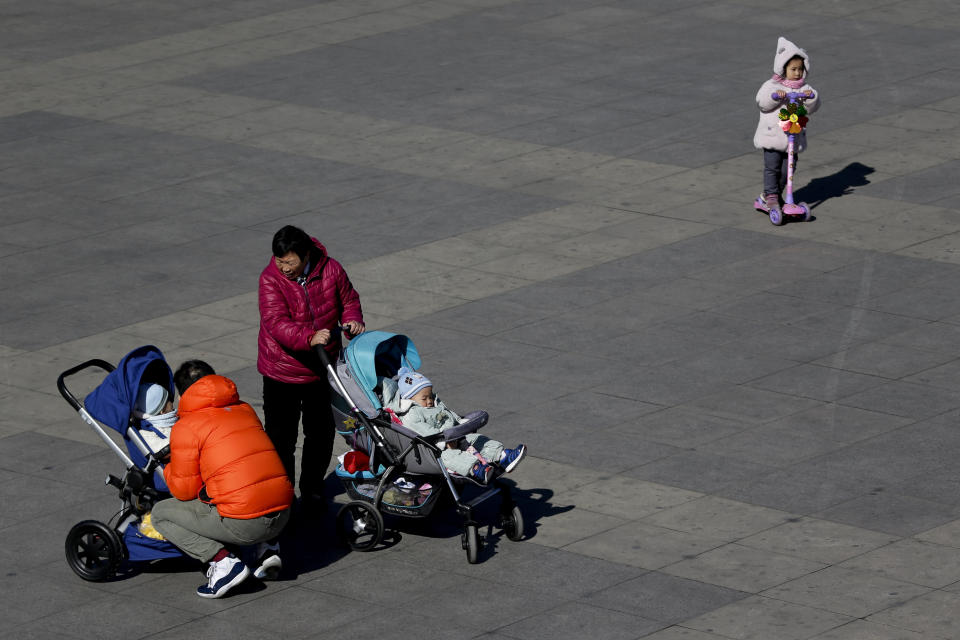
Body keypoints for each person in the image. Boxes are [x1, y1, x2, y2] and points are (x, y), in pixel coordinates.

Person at [151, 360, 294, 599]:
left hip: (247, 524)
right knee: (250, 486)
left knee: (161, 514)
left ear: (183, 393)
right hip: (284, 513)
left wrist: (167, 466)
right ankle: (268, 547)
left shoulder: (187, 426)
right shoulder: (245, 408)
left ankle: (224, 564)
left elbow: (184, 491)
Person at [257, 225, 364, 516]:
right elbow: (275, 322)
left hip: (322, 368)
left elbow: (349, 300)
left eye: (290, 262)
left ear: (306, 256)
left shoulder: (331, 270)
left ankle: (313, 489)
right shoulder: (270, 279)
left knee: (321, 433)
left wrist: (352, 320)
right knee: (281, 438)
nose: (284, 268)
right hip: (282, 372)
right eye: (280, 261)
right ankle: (283, 495)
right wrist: (308, 337)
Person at [383, 367, 526, 484]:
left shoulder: (435, 404)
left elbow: (449, 414)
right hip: (435, 446)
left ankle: (502, 456)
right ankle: (476, 468)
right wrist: (444, 442)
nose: (429, 401)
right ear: (409, 399)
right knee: (450, 457)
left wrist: (461, 423)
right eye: (424, 398)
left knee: (477, 438)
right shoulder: (412, 413)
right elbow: (424, 432)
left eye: (431, 396)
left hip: (456, 434)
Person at [753, 36, 821, 211]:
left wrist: (811, 97)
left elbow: (813, 105)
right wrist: (776, 96)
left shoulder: (803, 88)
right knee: (772, 168)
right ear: (783, 69)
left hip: (792, 138)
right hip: (773, 137)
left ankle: (770, 195)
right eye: (793, 69)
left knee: (787, 171)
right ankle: (771, 196)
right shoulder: (772, 85)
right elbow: (762, 102)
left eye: (800, 69)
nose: (797, 73)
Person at [132, 383, 177, 454]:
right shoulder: (146, 430)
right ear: (162, 410)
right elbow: (158, 448)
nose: (172, 402)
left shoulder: (174, 418)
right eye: (168, 400)